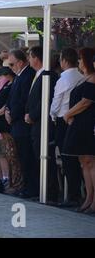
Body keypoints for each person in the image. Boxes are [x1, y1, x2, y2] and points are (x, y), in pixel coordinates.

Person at [50, 47, 84, 207]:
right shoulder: (81, 76)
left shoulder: (63, 79)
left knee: (67, 159)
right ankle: (77, 193)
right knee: (76, 160)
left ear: (63, 61)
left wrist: (52, 114)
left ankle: (72, 195)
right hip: (78, 119)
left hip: (63, 121)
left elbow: (56, 101)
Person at [63, 47, 95, 213]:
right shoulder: (85, 78)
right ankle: (89, 197)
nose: (79, 62)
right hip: (79, 125)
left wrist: (68, 114)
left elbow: (86, 102)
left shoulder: (93, 79)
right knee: (84, 162)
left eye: (81, 59)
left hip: (88, 126)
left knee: (91, 161)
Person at [25, 46, 59, 203]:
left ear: (36, 58)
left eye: (30, 57)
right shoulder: (37, 75)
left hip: (43, 125)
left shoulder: (48, 75)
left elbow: (45, 99)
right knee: (38, 158)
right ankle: (42, 189)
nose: (29, 60)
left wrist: (32, 115)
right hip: (35, 125)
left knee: (46, 159)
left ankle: (50, 192)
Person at [5, 49, 36, 199]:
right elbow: (11, 98)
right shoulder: (19, 76)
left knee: (26, 157)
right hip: (15, 123)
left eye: (12, 64)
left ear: (20, 62)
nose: (10, 67)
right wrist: (7, 110)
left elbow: (24, 100)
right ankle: (24, 186)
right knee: (21, 157)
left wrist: (13, 113)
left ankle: (30, 188)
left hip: (22, 125)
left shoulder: (27, 75)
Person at [0, 66, 24, 194]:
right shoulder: (8, 84)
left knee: (12, 155)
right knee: (8, 154)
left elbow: (9, 103)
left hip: (7, 122)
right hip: (2, 124)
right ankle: (11, 181)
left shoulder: (13, 83)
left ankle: (15, 182)